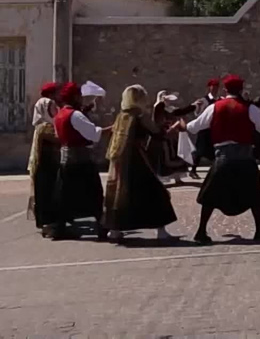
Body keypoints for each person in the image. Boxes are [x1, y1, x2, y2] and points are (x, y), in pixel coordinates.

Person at [186, 75, 260, 244]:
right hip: (245, 158)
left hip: (222, 158)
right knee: (256, 196)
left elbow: (194, 127)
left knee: (210, 196)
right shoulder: (249, 108)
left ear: (225, 90)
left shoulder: (215, 107)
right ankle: (259, 230)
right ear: (241, 90)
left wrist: (185, 124)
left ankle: (201, 231)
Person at [103, 85, 181, 241]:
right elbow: (157, 133)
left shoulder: (121, 116)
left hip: (120, 162)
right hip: (137, 160)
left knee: (120, 195)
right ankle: (161, 231)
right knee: (156, 192)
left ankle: (115, 229)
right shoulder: (138, 116)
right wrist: (168, 129)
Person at [51, 82, 109, 240]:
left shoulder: (59, 115)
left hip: (65, 159)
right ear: (75, 97)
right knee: (94, 193)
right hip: (81, 159)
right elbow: (92, 134)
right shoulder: (75, 115)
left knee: (64, 195)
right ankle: (102, 227)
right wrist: (110, 129)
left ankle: (60, 228)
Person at [27, 83, 60, 237]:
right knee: (47, 191)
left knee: (43, 191)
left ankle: (46, 223)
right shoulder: (47, 128)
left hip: (43, 163)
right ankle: (48, 224)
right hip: (46, 163)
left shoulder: (41, 127)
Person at [151, 90, 196, 183]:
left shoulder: (171, 109)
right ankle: (165, 178)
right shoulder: (158, 108)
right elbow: (157, 122)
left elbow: (182, 111)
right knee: (166, 156)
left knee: (176, 154)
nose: (169, 101)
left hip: (173, 135)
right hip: (164, 135)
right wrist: (168, 128)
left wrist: (194, 105)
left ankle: (177, 178)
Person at [189, 78, 221, 179]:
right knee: (200, 150)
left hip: (214, 129)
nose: (215, 89)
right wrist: (198, 108)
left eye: (216, 87)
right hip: (204, 129)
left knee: (215, 150)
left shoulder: (220, 99)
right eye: (213, 87)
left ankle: (216, 171)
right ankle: (193, 170)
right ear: (209, 88)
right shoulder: (203, 100)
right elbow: (198, 114)